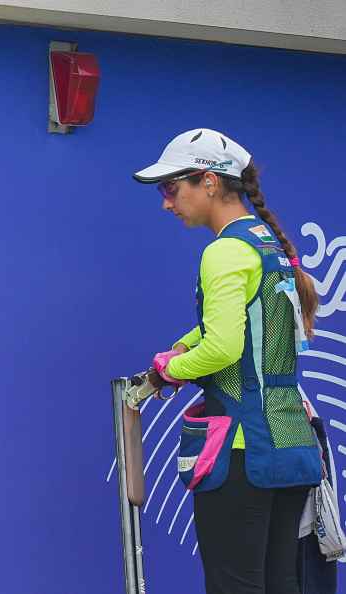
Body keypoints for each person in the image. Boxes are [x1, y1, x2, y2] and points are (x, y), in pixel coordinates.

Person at [133, 128, 321, 594]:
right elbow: (244, 324)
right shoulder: (269, 246)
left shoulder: (224, 251)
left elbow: (222, 348)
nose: (166, 203)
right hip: (290, 446)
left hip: (241, 451)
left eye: (171, 188)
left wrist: (165, 372)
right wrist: (183, 346)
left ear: (209, 182)